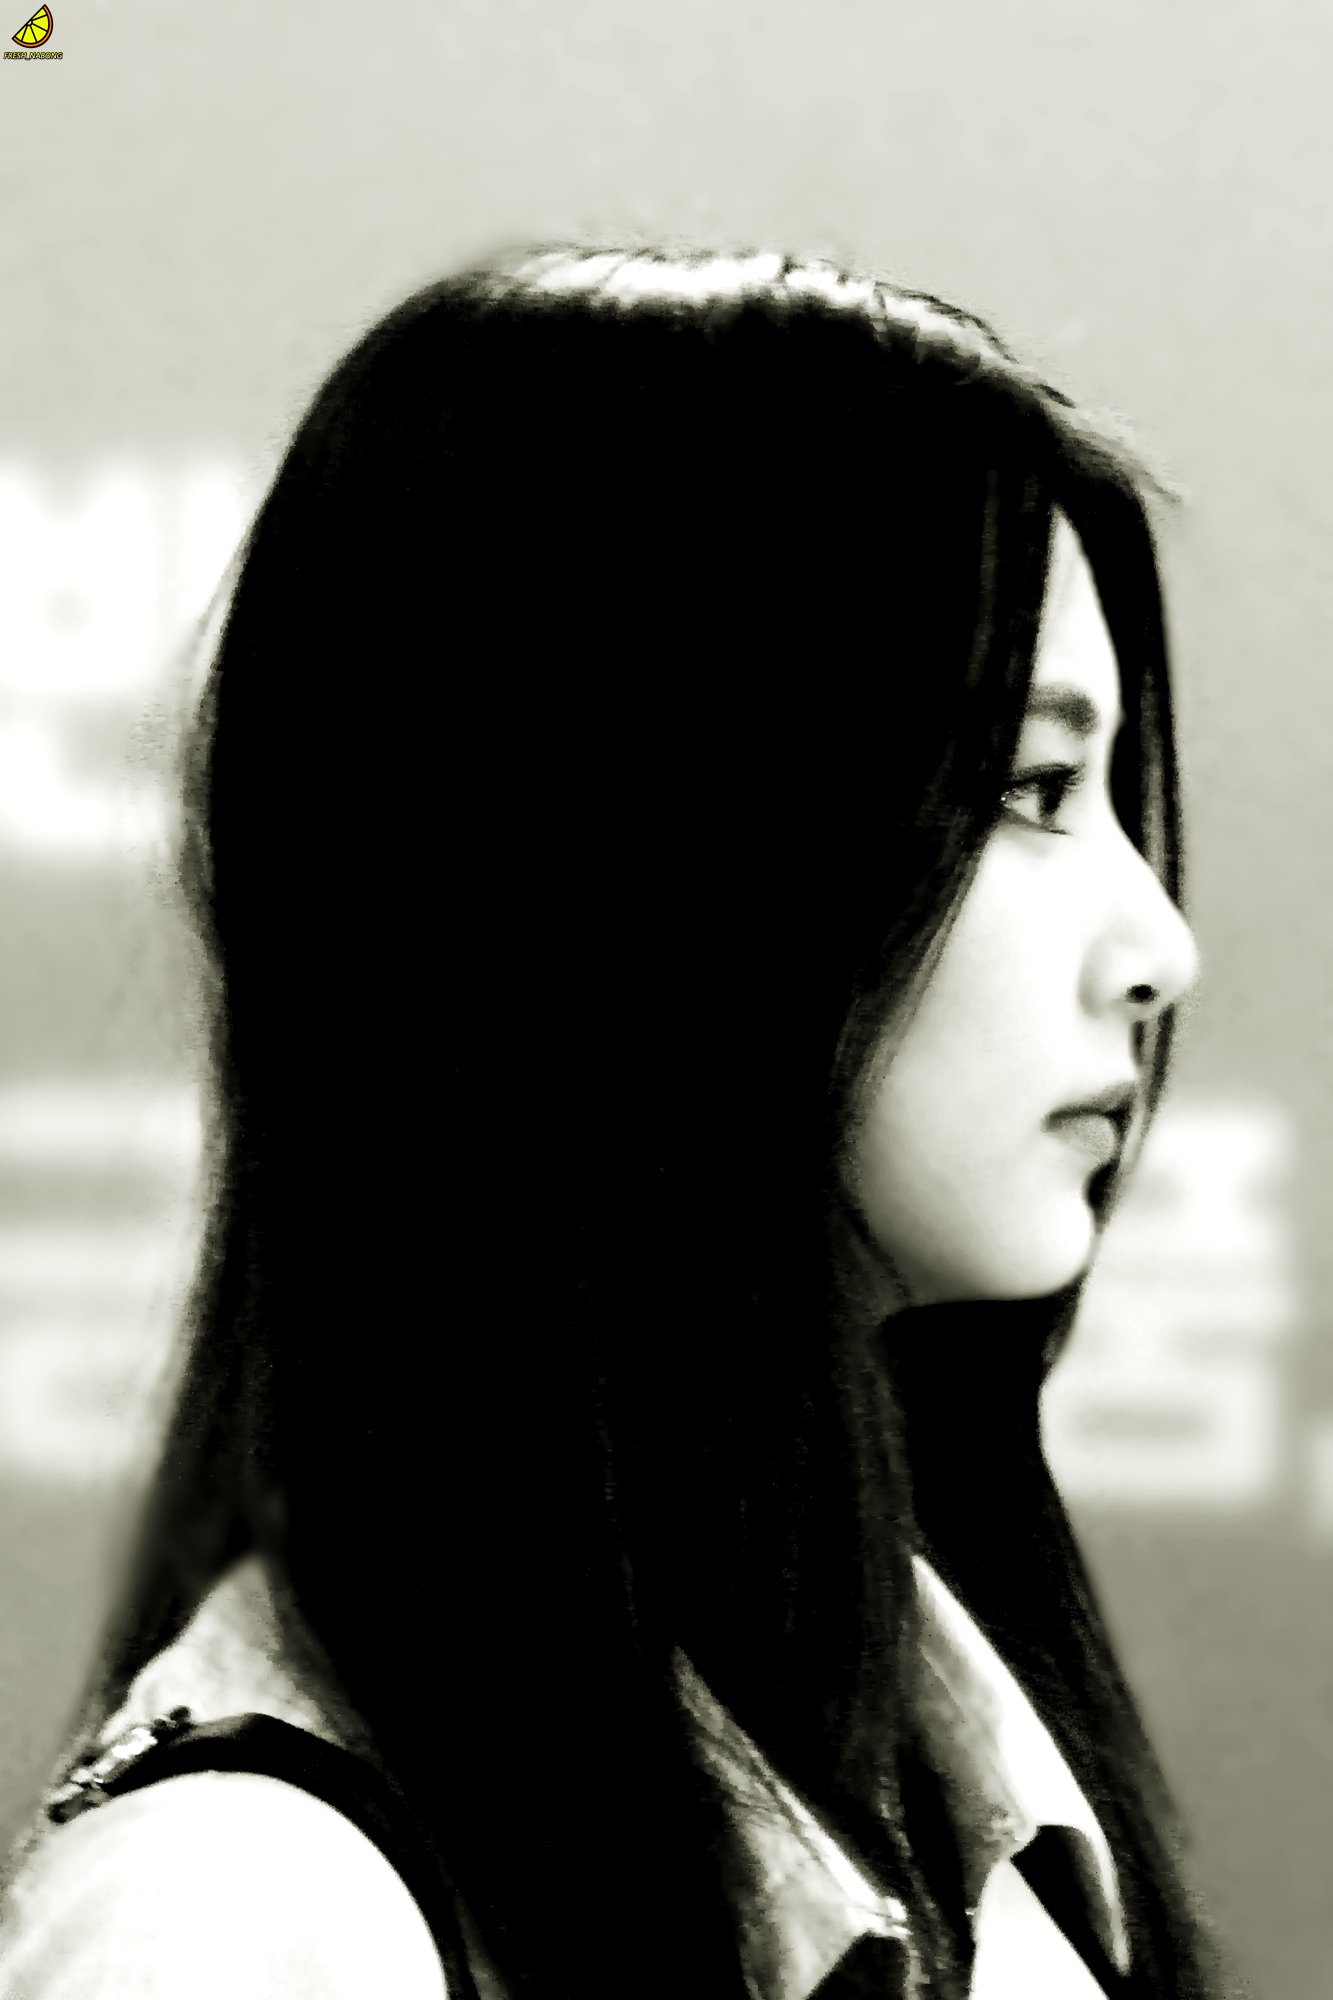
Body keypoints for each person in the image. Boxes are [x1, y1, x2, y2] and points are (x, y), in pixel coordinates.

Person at [0, 243, 1240, 1999]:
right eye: (1028, 789)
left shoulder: (970, 1817)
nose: (1158, 948)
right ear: (648, 854)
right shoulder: (246, 1918)